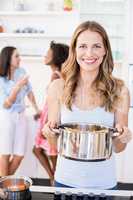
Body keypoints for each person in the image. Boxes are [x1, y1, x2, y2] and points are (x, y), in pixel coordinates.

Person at [42, 21, 132, 189]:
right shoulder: (57, 88)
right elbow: (56, 145)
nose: (89, 53)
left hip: (103, 184)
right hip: (65, 181)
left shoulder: (120, 90)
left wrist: (124, 137)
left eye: (97, 46)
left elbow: (118, 148)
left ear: (105, 50)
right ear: (74, 50)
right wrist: (49, 134)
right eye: (83, 46)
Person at [33, 41, 69, 185]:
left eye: (48, 53)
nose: (45, 55)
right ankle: (54, 177)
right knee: (43, 150)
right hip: (47, 116)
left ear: (56, 57)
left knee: (47, 151)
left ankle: (54, 178)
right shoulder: (58, 75)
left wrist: (47, 123)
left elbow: (56, 104)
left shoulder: (56, 76)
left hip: (50, 118)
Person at [0, 46, 40, 177]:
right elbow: (6, 105)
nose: (19, 59)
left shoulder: (21, 71)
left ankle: (2, 184)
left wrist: (36, 109)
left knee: (19, 155)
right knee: (5, 153)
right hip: (7, 117)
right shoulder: (1, 78)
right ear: (8, 58)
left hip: (21, 116)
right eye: (16, 56)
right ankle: (3, 189)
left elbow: (29, 92)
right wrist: (17, 86)